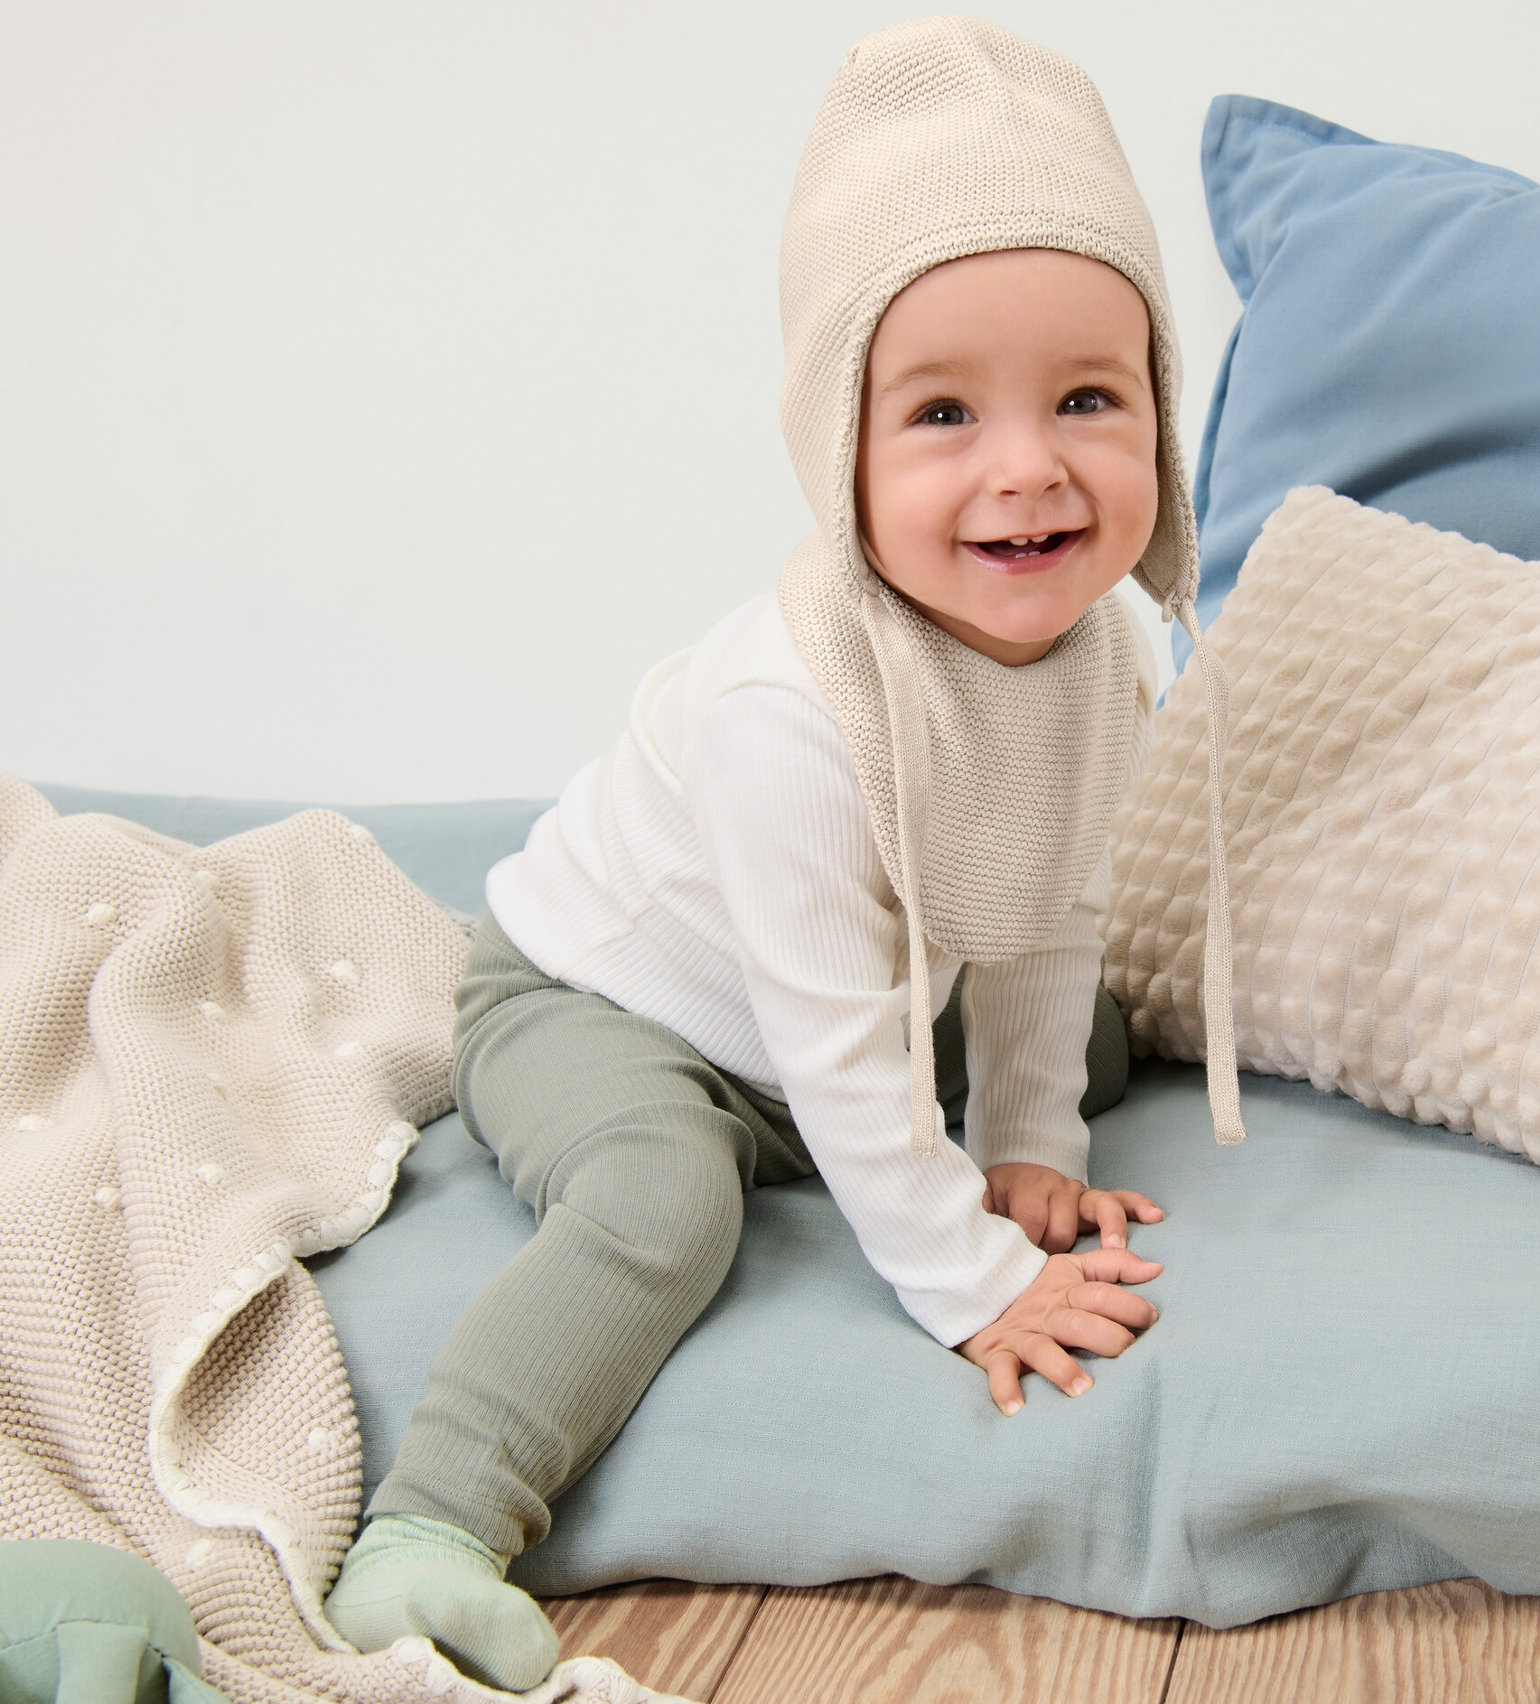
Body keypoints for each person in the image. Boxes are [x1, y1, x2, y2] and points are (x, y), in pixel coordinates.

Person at [322, 16, 1241, 1690]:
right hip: (607, 1009)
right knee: (666, 1201)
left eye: (1089, 399)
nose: (1027, 467)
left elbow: (1043, 910)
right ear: (841, 446)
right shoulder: (790, 712)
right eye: (945, 411)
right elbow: (824, 1037)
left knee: (1092, 1030)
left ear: (1160, 423)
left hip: (854, 1008)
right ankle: (431, 1527)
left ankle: (961, 1129)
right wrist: (972, 1274)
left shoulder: (1105, 653)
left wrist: (1025, 1136)